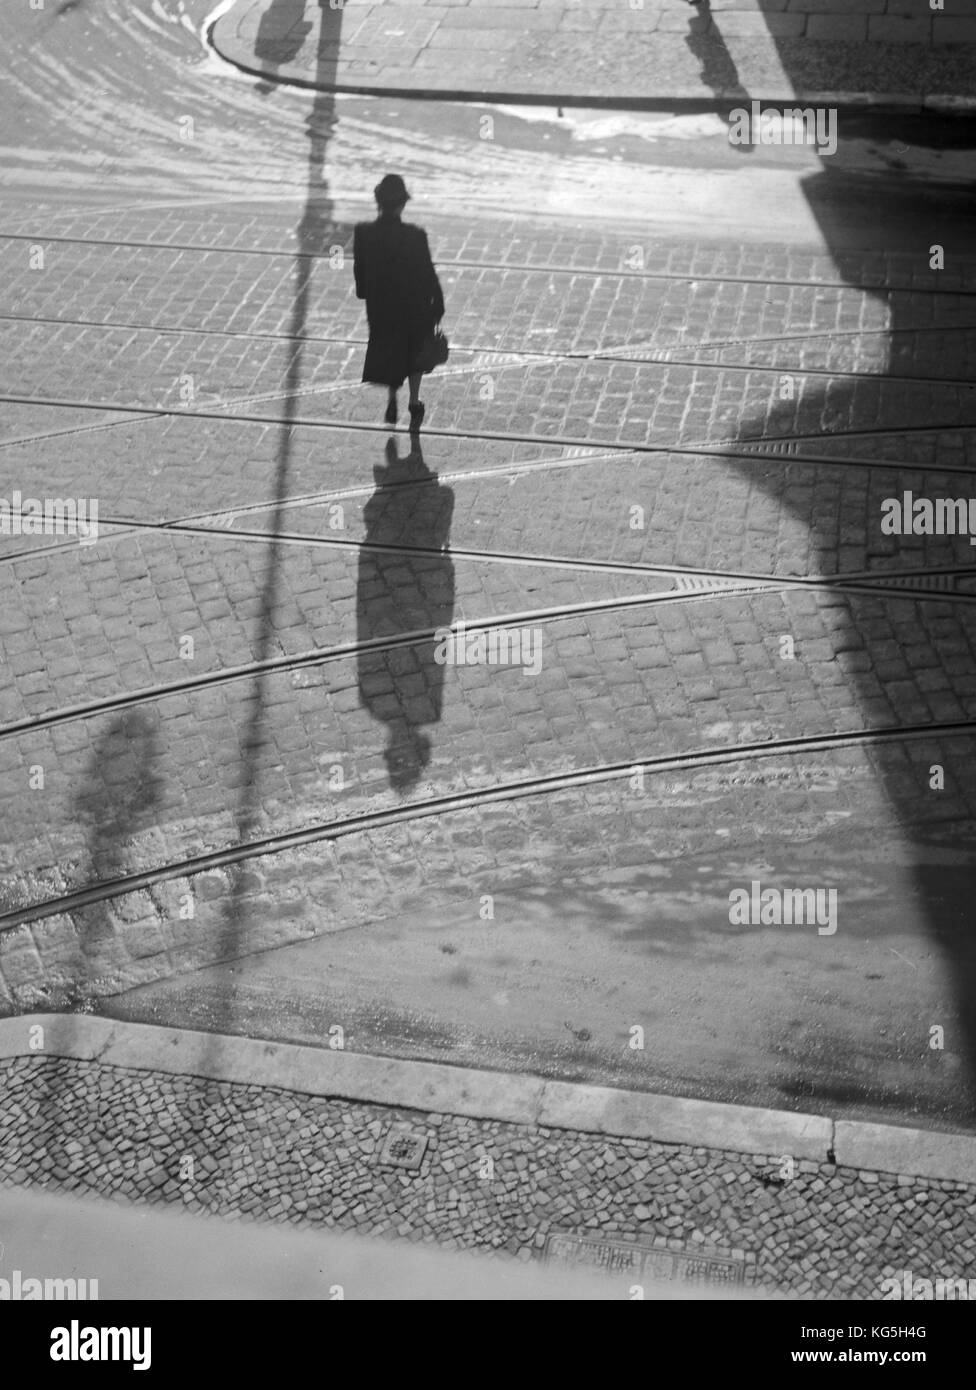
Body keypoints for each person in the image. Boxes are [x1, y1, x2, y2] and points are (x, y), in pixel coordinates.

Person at [353, 173, 445, 430]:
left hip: (382, 307)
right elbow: (428, 273)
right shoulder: (415, 236)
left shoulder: (363, 234)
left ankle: (393, 398)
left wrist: (367, 293)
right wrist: (437, 303)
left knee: (391, 352)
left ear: (378, 202)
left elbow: (360, 275)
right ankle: (414, 401)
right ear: (402, 204)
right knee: (415, 352)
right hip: (414, 306)